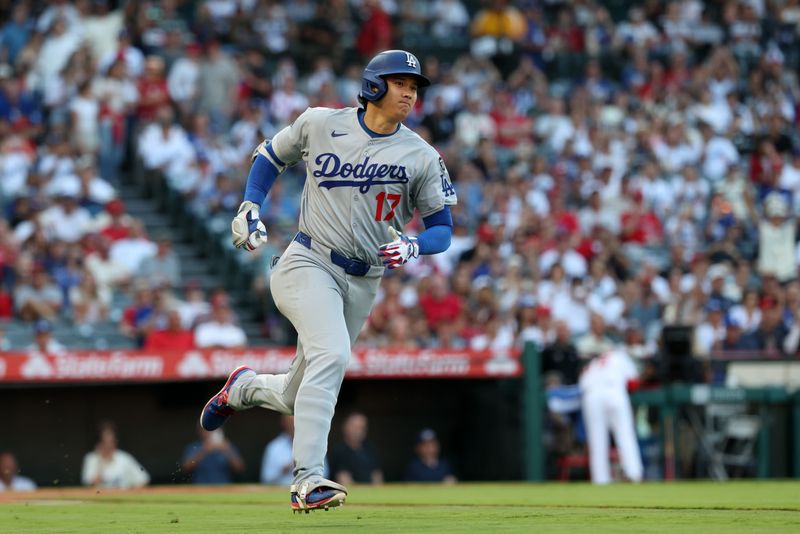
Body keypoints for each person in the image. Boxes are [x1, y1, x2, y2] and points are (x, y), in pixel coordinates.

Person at [199, 49, 456, 512]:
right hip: (307, 261)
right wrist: (250, 204)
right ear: (374, 85)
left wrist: (416, 244)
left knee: (298, 392)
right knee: (333, 355)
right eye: (400, 83)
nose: (409, 93)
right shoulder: (321, 123)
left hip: (364, 280)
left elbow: (443, 229)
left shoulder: (421, 155)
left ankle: (243, 388)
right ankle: (308, 479)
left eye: (414, 87)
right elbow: (269, 156)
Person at [579, 349, 643, 485]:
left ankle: (600, 479)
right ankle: (633, 473)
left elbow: (582, 384)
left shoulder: (593, 364)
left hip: (591, 395)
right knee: (625, 434)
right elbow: (633, 382)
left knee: (597, 441)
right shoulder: (620, 356)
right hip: (614, 392)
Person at [81, 421, 150, 489]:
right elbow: (88, 483)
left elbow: (144, 478)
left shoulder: (124, 458)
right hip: (100, 496)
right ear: (99, 443)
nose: (109, 446)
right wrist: (100, 461)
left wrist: (131, 490)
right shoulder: (91, 458)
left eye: (111, 442)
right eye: (105, 442)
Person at [328, 412, 383, 486]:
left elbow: (377, 477)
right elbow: (344, 481)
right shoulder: (340, 451)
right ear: (345, 427)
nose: (358, 431)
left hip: (371, 493)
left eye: (362, 428)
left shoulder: (370, 449)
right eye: (355, 427)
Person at [261, 415, 296, 486]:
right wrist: (282, 470)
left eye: (296, 421)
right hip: (279, 492)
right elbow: (266, 478)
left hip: (306, 493)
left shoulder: (312, 446)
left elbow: (323, 474)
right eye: (290, 421)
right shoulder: (273, 447)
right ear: (283, 422)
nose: (294, 424)